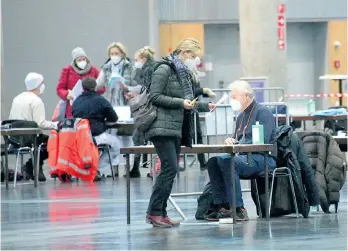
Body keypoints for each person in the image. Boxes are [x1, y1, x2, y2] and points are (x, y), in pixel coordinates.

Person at [145, 38, 215, 228]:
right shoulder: (165, 69)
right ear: (183, 53)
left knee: (170, 170)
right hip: (161, 127)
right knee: (170, 169)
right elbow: (155, 96)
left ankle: (161, 213)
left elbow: (187, 102)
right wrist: (179, 103)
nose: (195, 60)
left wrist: (204, 106)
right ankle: (154, 212)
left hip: (175, 128)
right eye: (193, 56)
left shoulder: (183, 74)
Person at [205, 80, 277, 221]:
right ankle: (222, 206)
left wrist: (238, 143)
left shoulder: (263, 112)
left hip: (263, 158)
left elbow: (263, 140)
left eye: (234, 97)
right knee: (214, 161)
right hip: (245, 157)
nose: (232, 100)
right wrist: (230, 141)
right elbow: (237, 138)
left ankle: (239, 208)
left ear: (246, 96)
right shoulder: (240, 116)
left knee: (228, 161)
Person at [96, 42, 139, 177]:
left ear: (122, 54)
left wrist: (126, 87)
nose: (114, 56)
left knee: (126, 136)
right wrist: (90, 87)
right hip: (111, 105)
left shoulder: (130, 68)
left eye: (117, 53)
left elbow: (137, 85)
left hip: (126, 104)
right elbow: (99, 84)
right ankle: (113, 168)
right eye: (112, 54)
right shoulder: (106, 68)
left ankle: (128, 167)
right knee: (112, 136)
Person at [9, 72, 58, 181]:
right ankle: (31, 166)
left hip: (14, 139)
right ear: (38, 85)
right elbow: (41, 123)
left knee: (42, 143)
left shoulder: (17, 98)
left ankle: (34, 168)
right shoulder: (36, 101)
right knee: (53, 144)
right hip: (31, 138)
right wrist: (55, 124)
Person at [72, 78, 120, 179]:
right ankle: (96, 169)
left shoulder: (76, 101)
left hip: (79, 137)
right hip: (96, 134)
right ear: (95, 87)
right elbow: (114, 118)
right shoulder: (101, 100)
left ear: (83, 88)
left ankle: (87, 170)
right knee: (117, 146)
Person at [124, 46, 157, 178]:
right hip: (150, 108)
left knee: (137, 137)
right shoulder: (150, 69)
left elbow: (147, 89)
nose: (135, 62)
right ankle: (141, 168)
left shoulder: (148, 70)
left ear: (143, 59)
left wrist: (136, 95)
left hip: (149, 110)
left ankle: (136, 168)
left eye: (136, 59)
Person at [56, 47, 104, 119]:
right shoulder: (67, 70)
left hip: (90, 106)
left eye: (83, 59)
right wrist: (66, 94)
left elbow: (102, 87)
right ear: (75, 61)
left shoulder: (94, 70)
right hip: (73, 106)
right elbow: (60, 88)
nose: (82, 61)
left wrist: (93, 90)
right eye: (79, 60)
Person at [187, 59, 216, 170]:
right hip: (187, 107)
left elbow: (195, 91)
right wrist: (204, 90)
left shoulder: (194, 73)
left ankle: (202, 161)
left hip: (194, 107)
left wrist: (206, 93)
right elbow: (191, 90)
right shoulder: (185, 73)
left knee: (198, 136)